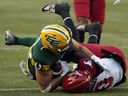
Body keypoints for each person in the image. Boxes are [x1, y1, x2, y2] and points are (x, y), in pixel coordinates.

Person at [5, 3, 107, 92]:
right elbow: (45, 89)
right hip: (44, 67)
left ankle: (67, 14)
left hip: (54, 57)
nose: (68, 45)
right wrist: (64, 74)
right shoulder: (42, 60)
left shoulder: (57, 36)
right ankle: (91, 30)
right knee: (72, 80)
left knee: (79, 52)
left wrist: (95, 58)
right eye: (64, 45)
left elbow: (79, 47)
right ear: (51, 47)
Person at [62, 43, 127, 93]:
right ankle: (93, 30)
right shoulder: (89, 69)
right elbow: (72, 52)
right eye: (73, 73)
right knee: (73, 45)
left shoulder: (82, 86)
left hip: (120, 74)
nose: (71, 72)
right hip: (116, 55)